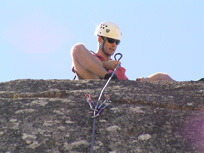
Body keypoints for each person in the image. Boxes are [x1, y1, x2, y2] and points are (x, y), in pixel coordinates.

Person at [70, 21, 175, 82]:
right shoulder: (88, 57)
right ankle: (108, 77)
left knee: (162, 76)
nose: (114, 45)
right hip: (98, 82)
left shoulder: (117, 66)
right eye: (111, 40)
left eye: (117, 42)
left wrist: (142, 81)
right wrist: (105, 64)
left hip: (123, 86)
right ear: (100, 39)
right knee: (77, 48)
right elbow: (77, 62)